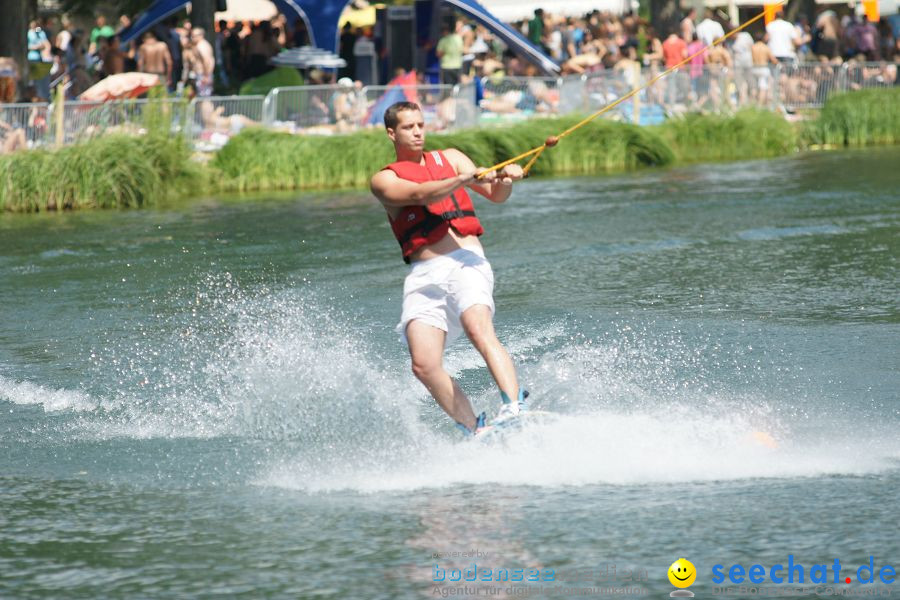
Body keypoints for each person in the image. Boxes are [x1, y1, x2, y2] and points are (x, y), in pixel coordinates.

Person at [369, 101, 527, 436]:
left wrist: (507, 178)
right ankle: (476, 429)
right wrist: (462, 178)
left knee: (477, 327)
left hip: (466, 263)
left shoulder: (452, 158)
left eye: (420, 125)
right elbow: (420, 192)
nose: (417, 132)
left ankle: (513, 406)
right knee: (424, 365)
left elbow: (496, 194)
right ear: (391, 133)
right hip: (425, 276)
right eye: (408, 127)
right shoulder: (384, 180)